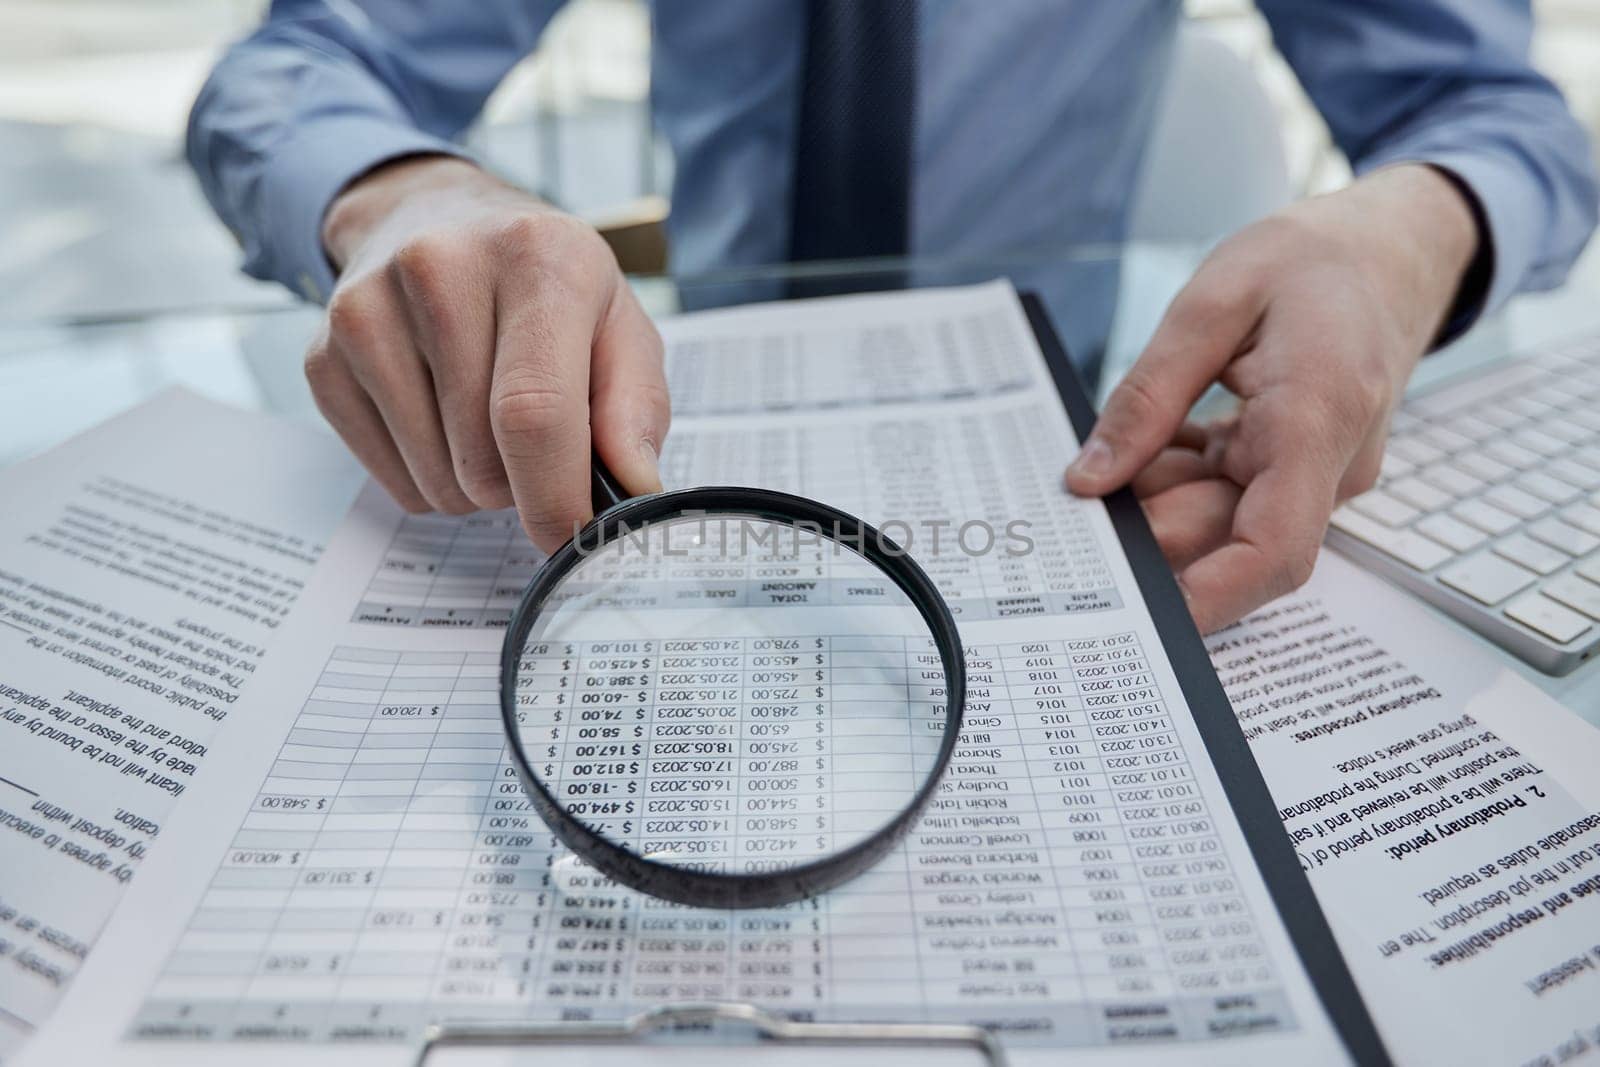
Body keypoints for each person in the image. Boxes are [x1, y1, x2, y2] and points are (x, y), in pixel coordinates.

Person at [188, 0, 1597, 632]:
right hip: (666, 422)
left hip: (1086, 452)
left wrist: (1409, 230)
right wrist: (398, 193)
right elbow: (299, 63)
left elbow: (1503, 121)